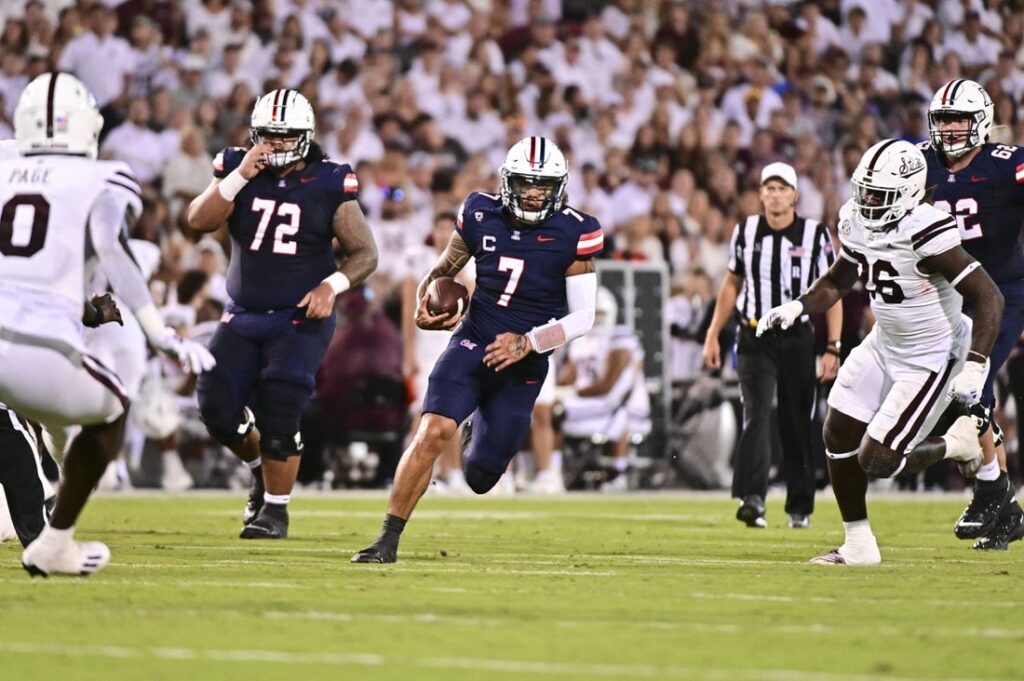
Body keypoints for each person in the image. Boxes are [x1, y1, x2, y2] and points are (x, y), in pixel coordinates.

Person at [0, 73, 214, 576]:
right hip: (38, 347)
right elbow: (114, 252)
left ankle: (43, 511)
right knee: (116, 396)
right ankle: (55, 540)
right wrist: (159, 332)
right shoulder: (102, 178)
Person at [352, 136, 603, 563]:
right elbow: (447, 266)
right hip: (473, 340)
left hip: (524, 360)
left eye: (542, 185)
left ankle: (477, 437)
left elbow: (584, 317)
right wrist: (422, 301)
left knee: (482, 477)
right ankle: (387, 539)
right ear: (508, 182)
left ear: (559, 187)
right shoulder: (478, 211)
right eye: (525, 183)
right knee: (432, 431)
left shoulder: (575, 231)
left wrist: (529, 341)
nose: (533, 193)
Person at [758, 139, 1002, 566]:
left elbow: (988, 297)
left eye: (878, 193)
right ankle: (858, 544)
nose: (867, 201)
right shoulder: (856, 219)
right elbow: (839, 278)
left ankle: (960, 443)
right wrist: (798, 306)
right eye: (864, 190)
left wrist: (977, 366)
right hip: (885, 342)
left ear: (908, 192)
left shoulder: (926, 228)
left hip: (932, 353)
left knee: (879, 459)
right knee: (836, 432)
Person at [187, 88, 378, 540]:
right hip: (242, 312)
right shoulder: (237, 165)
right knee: (214, 405)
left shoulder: (329, 180)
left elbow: (365, 253)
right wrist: (237, 176)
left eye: (285, 136)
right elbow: (197, 220)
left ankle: (275, 511)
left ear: (306, 137)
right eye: (268, 136)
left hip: (298, 317)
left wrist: (330, 286)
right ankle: (259, 469)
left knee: (280, 404)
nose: (275, 145)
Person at [702, 162, 842, 529]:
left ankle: (800, 505)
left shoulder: (814, 235)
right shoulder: (746, 231)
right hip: (753, 335)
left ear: (795, 195)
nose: (775, 194)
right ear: (761, 193)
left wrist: (833, 346)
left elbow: (833, 291)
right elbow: (731, 283)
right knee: (756, 413)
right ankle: (752, 498)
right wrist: (713, 332)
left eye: (782, 188)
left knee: (797, 421)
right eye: (769, 188)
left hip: (796, 337)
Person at [923, 79, 1024, 550]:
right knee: (951, 396)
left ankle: (990, 491)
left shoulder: (1008, 164)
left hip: (1002, 290)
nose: (952, 129)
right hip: (948, 295)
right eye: (945, 120)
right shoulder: (919, 162)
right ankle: (1006, 509)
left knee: (971, 388)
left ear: (981, 121)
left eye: (960, 119)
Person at [400, 211, 475, 493]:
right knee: (424, 415)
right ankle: (424, 474)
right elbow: (409, 306)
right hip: (425, 349)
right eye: (440, 227)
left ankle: (450, 472)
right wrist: (408, 351)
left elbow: (474, 300)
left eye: (449, 228)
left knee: (451, 414)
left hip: (455, 345)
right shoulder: (418, 259)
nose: (444, 233)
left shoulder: (471, 261)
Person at [557, 287, 649, 492]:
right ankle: (549, 471)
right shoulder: (580, 339)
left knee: (556, 411)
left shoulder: (620, 336)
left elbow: (609, 384)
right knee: (544, 409)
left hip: (620, 401)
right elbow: (567, 378)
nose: (597, 319)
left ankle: (616, 473)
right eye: (594, 313)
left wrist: (572, 393)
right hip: (590, 400)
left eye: (602, 313)